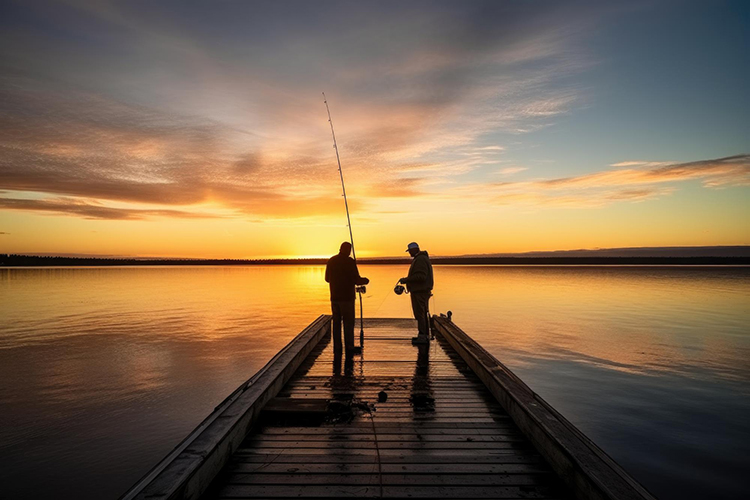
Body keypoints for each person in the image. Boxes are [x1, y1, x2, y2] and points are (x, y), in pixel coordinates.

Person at [325, 241, 369, 356]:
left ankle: (337, 348)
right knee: (348, 323)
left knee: (336, 324)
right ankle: (349, 347)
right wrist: (365, 280)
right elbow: (357, 280)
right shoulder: (350, 262)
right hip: (347, 298)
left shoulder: (331, 260)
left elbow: (327, 279)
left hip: (334, 298)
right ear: (348, 250)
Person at [399, 242, 433, 344]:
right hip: (420, 291)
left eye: (410, 251)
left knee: (420, 314)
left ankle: (423, 336)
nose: (409, 253)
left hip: (420, 292)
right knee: (422, 313)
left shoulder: (421, 260)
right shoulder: (421, 259)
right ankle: (424, 335)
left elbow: (421, 277)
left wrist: (406, 280)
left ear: (415, 250)